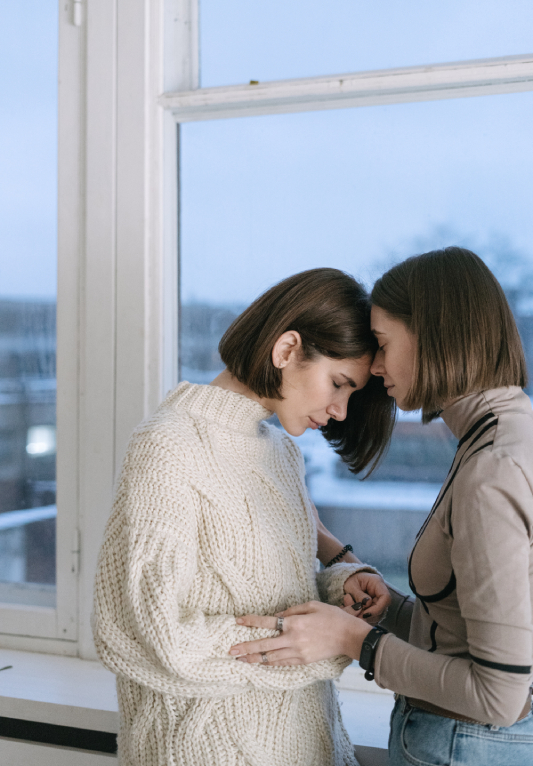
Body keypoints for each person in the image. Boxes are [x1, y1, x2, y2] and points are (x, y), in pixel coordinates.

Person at [232, 248, 533, 766]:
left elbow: (499, 695)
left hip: (462, 746)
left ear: (434, 337)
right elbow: (466, 632)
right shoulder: (502, 437)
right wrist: (387, 606)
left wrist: (355, 640)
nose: (375, 366)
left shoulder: (492, 468)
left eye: (384, 344)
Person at [92, 267, 395, 766]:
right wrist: (322, 641)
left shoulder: (279, 452)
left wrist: (341, 585)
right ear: (287, 350)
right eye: (338, 384)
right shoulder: (168, 445)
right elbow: (149, 632)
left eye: (351, 394)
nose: (340, 409)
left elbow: (267, 590)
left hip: (309, 745)